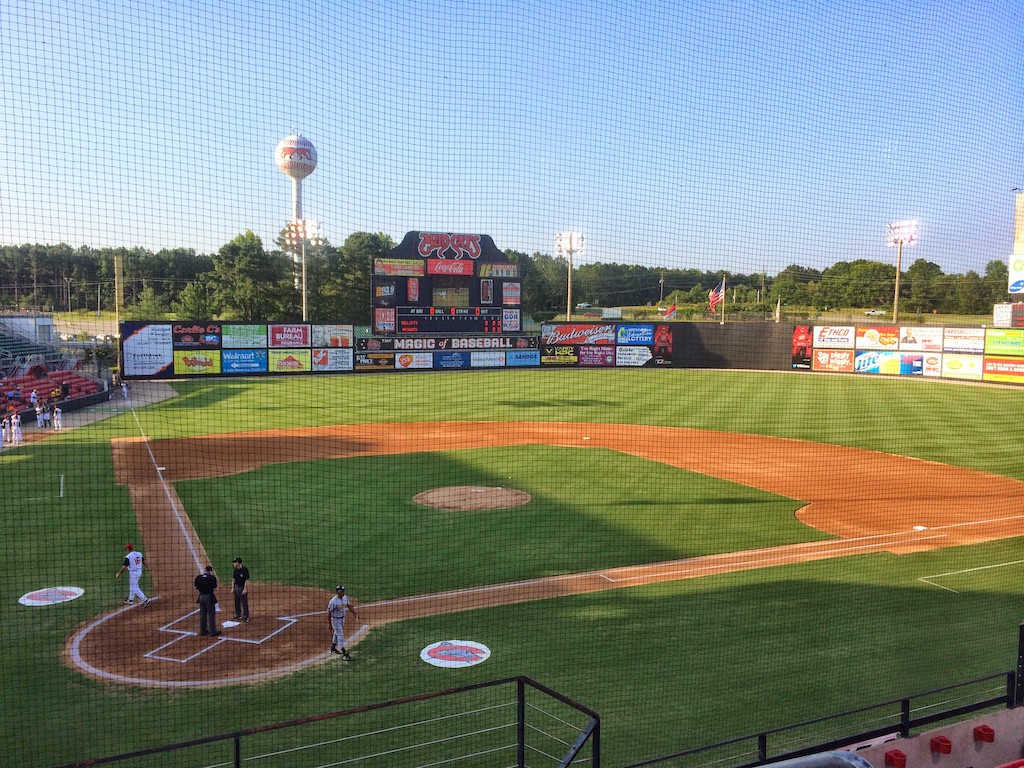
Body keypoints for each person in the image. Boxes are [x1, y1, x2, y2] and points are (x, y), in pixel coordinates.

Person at [326, 584, 358, 660]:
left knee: (336, 633)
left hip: (342, 619)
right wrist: (330, 624)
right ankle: (345, 654)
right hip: (335, 620)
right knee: (340, 635)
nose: (342, 592)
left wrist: (355, 613)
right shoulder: (333, 601)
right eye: (341, 591)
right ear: (337, 592)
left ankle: (333, 648)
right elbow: (329, 613)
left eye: (343, 591)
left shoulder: (345, 597)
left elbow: (349, 605)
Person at [194, 565, 220, 637]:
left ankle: (203, 631)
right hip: (209, 597)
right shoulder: (212, 578)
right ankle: (213, 631)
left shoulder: (198, 577)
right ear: (211, 571)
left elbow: (195, 587)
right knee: (211, 614)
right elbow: (216, 588)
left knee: (203, 614)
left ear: (205, 570)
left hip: (201, 597)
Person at [230, 557, 250, 622]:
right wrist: (233, 588)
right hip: (236, 587)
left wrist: (245, 589)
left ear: (238, 563)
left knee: (244, 602)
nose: (233, 563)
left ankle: (246, 616)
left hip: (242, 587)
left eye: (234, 562)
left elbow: (246, 580)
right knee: (237, 602)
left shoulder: (245, 570)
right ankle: (238, 615)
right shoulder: (235, 570)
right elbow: (233, 579)